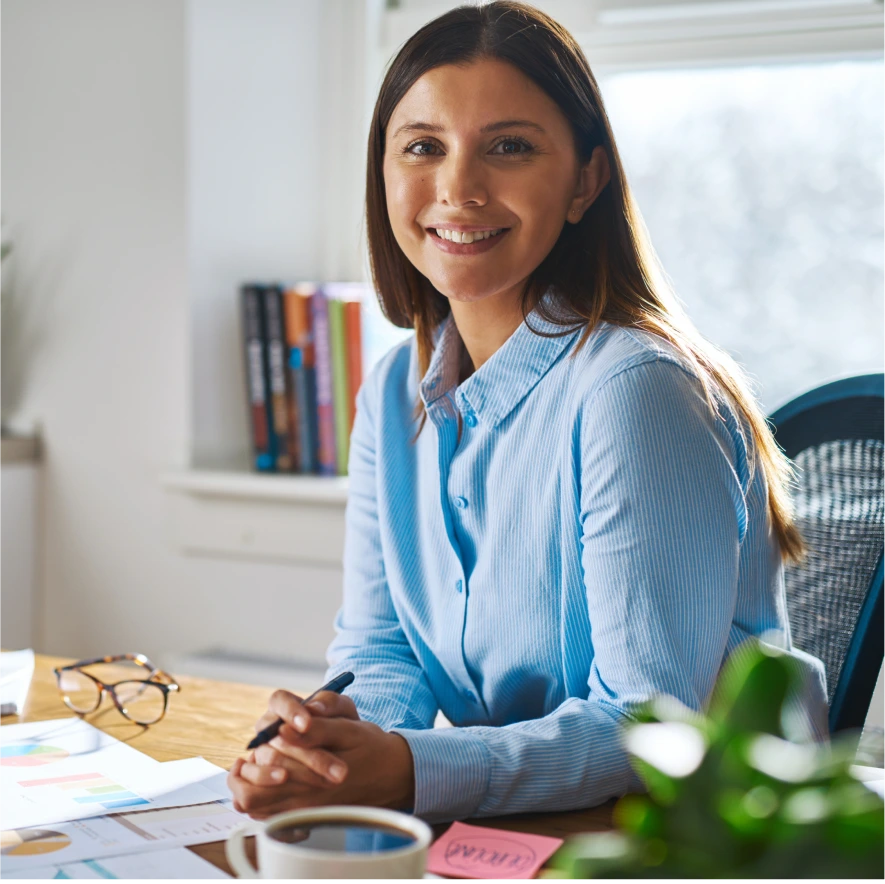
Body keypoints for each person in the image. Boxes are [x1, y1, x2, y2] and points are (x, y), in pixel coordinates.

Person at [227, 0, 827, 823]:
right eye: (423, 148)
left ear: (585, 179)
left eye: (508, 147)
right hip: (523, 826)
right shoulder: (392, 391)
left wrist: (406, 768)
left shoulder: (634, 389)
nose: (458, 188)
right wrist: (329, 748)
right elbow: (381, 651)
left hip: (694, 838)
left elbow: (650, 729)